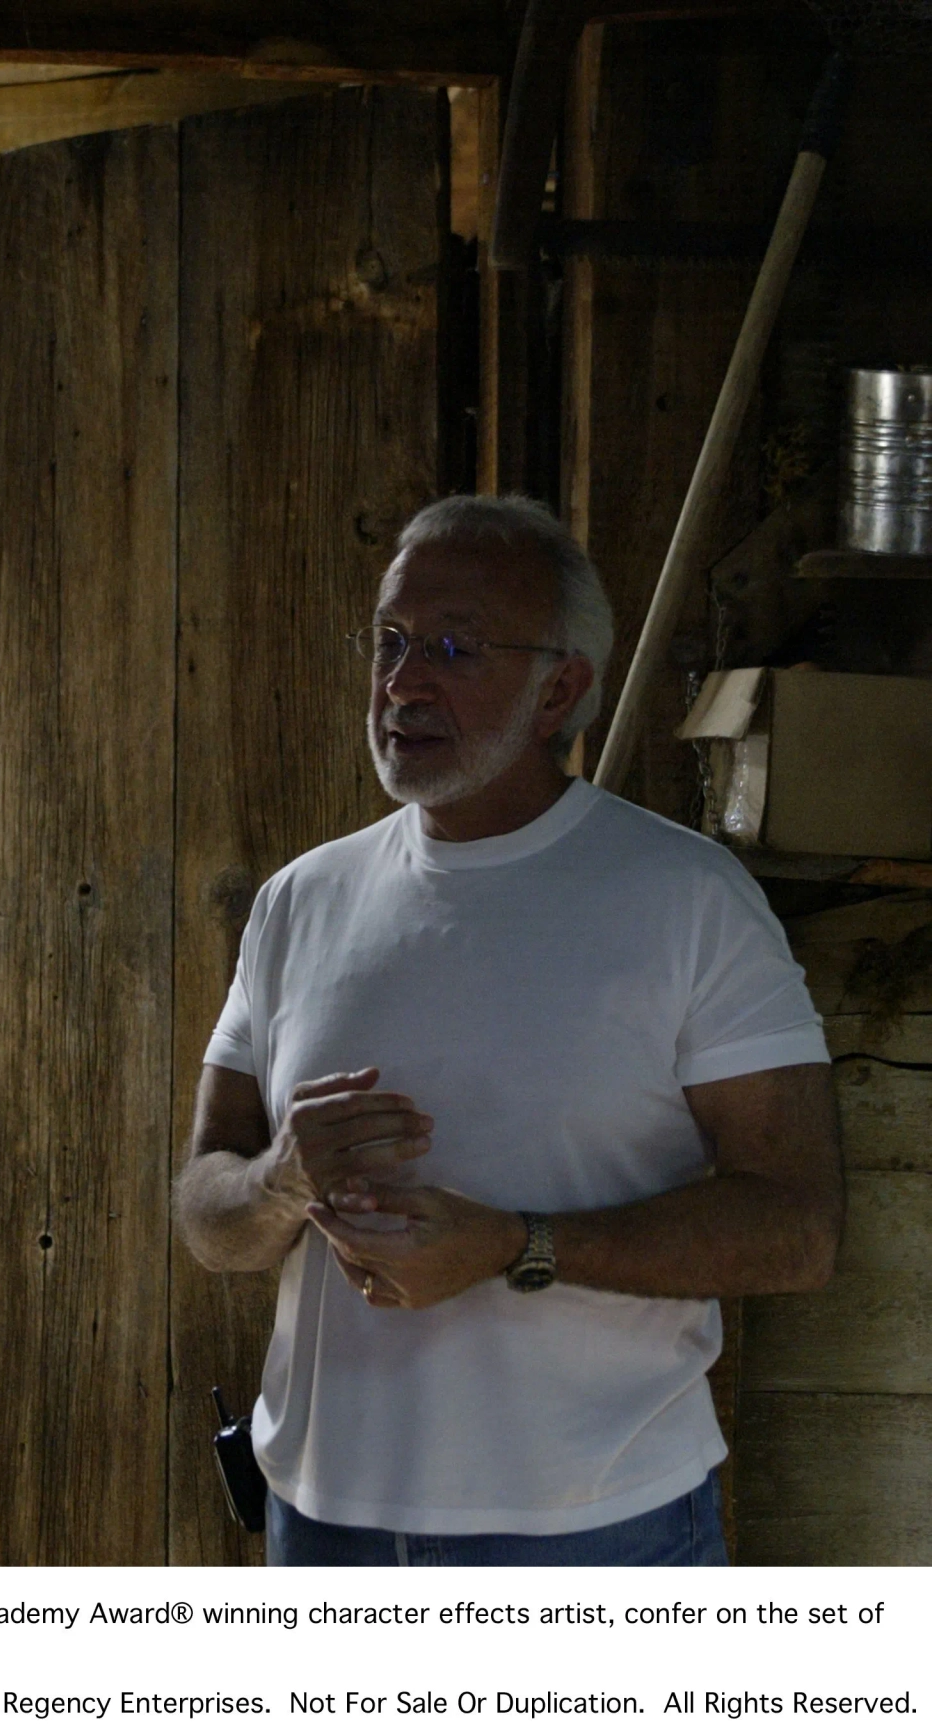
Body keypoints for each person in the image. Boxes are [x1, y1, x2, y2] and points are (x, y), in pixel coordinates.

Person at [175, 494, 842, 1566]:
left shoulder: (686, 898)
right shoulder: (302, 899)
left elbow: (798, 1228)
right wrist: (282, 1181)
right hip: (320, 1520)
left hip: (590, 1528)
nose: (402, 684)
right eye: (389, 643)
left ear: (560, 690)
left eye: (451, 648)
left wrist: (515, 1248)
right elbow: (209, 1214)